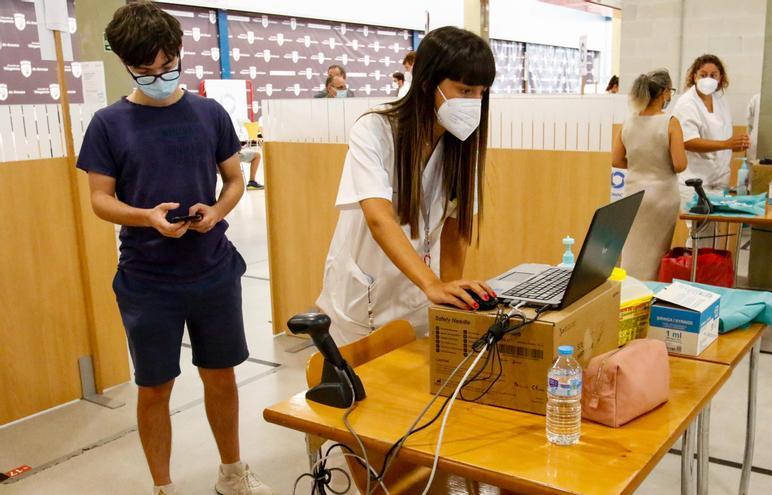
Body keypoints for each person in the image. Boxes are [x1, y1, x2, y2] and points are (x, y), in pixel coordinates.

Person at [75, 2, 272, 494]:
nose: (159, 77)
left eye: (167, 66)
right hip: (147, 279)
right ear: (126, 64)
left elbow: (232, 179)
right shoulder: (108, 124)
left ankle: (232, 474)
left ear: (179, 54)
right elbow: (100, 199)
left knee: (220, 376)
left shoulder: (209, 113)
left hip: (213, 270)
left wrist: (219, 211)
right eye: (146, 70)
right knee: (155, 386)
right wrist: (146, 218)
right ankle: (163, 486)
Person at [316, 26, 496, 343]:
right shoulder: (375, 129)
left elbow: (455, 232)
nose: (474, 103)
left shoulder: (462, 144)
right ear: (427, 84)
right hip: (366, 301)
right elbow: (379, 217)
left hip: (420, 298)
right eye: (465, 91)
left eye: (481, 93)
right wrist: (432, 284)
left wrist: (455, 304)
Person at [612, 69, 687, 281]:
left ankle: (627, 296)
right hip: (662, 197)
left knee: (631, 251)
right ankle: (649, 297)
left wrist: (640, 165)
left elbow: (616, 160)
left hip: (633, 194)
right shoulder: (670, 122)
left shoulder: (628, 122)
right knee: (656, 254)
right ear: (664, 92)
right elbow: (680, 164)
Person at [672, 54, 750, 207]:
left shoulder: (720, 100)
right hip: (695, 182)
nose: (708, 79)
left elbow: (722, 137)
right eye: (703, 75)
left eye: (713, 75)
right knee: (698, 228)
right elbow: (688, 141)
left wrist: (736, 145)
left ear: (720, 78)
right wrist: (727, 144)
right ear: (694, 77)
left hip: (720, 181)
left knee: (714, 230)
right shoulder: (687, 103)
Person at [747, 93, 761, 160]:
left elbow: (748, 123)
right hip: (755, 150)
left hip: (755, 149)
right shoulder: (756, 99)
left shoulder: (756, 98)